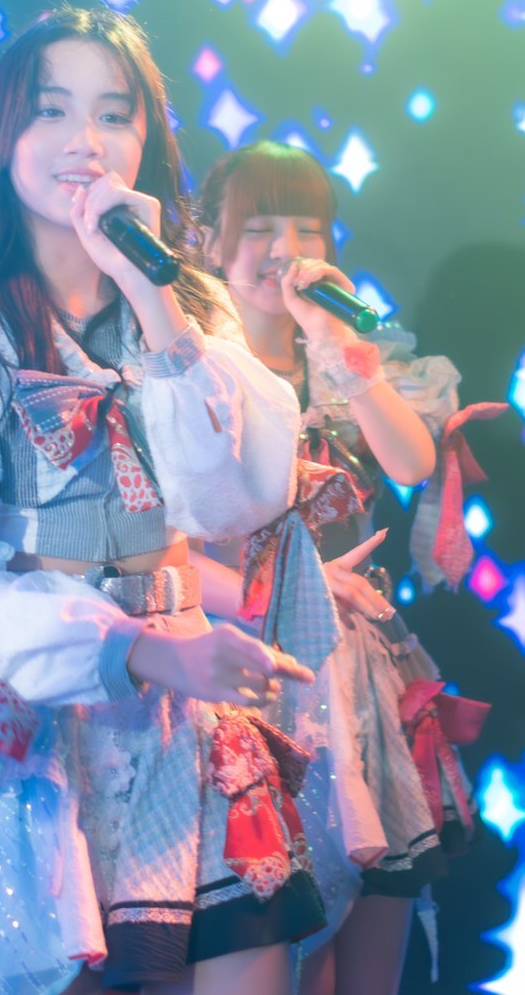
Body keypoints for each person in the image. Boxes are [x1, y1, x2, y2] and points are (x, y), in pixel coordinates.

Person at [0, 9, 327, 995]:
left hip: (185, 712)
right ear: (4, 136)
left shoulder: (188, 304)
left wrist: (152, 294)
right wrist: (140, 649)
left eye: (113, 114)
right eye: (51, 112)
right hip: (28, 722)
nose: (85, 141)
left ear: (146, 142)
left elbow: (241, 500)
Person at [197, 141, 490, 995]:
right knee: (265, 930)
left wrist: (333, 339)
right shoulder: (190, 365)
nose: (284, 249)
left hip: (357, 674)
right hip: (243, 671)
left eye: (307, 229)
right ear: (209, 242)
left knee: (366, 934)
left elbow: (409, 460)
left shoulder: (340, 362)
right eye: (259, 227)